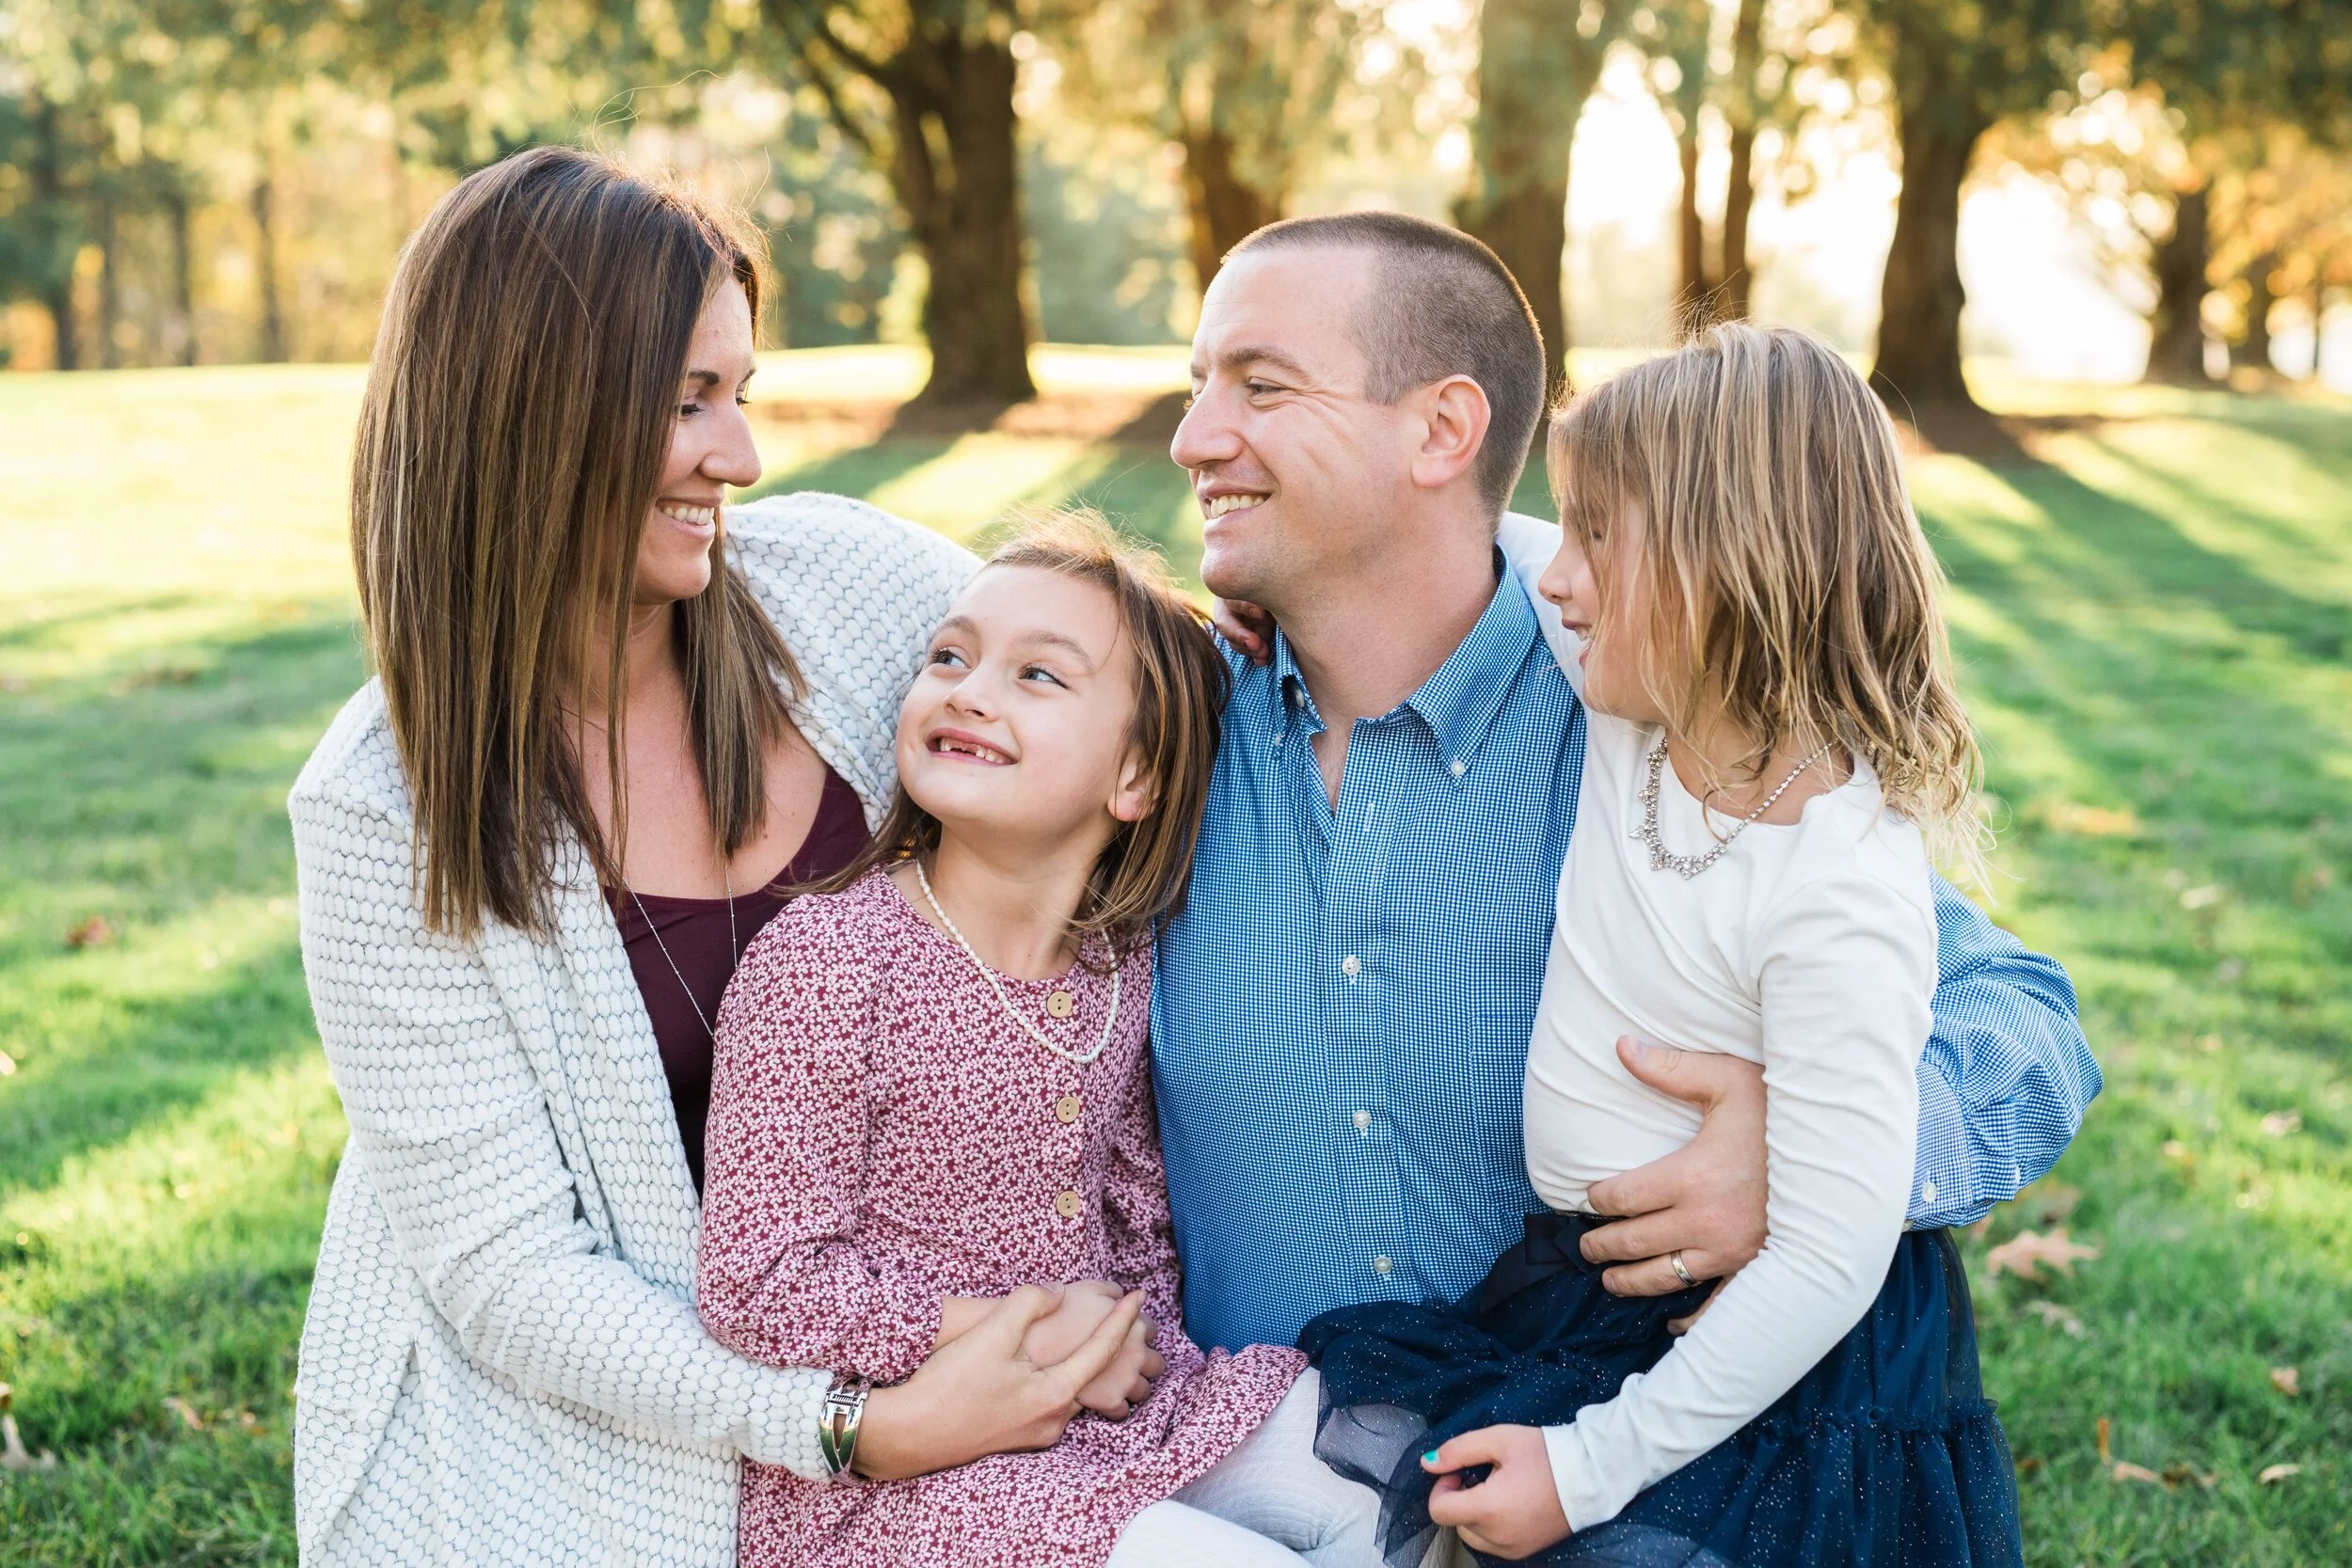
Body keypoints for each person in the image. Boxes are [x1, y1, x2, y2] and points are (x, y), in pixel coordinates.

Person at [290, 148, 1163, 1567]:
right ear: (531, 407)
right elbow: (511, 1277)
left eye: (739, 395)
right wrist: (857, 1420)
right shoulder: (386, 806)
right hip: (591, 1423)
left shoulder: (852, 590)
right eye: (690, 401)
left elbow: (1138, 691)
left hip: (976, 1348)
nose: (740, 457)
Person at [1153, 212, 2097, 1386]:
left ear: (1442, 428)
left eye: (1261, 385)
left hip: (1589, 1467)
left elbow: (2019, 1020)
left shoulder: (1653, 720)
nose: (1193, 437)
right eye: (1200, 385)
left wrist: (1816, 1161)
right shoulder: (1155, 724)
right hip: (1242, 1469)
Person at [1300, 325, 2024, 1566]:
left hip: (1779, 1363)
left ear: (1728, 563)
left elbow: (1825, 1259)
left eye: (1594, 534)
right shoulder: (1637, 716)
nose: (1555, 575)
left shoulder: (1835, 886)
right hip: (1594, 1296)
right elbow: (1431, 576)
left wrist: (1587, 1470)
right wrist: (1281, 609)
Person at [697, 513, 1384, 1568]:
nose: (969, 689)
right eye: (951, 657)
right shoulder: (831, 961)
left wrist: (1131, 1346)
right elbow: (761, 1281)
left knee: (1380, 1488)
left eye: (1038, 676)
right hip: (912, 1477)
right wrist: (1016, 1336)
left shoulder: (1116, 968)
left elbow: (1135, 1214)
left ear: (1136, 780)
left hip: (1104, 1413)